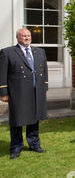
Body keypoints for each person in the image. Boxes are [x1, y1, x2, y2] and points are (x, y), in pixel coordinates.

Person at [0, 28, 48, 159]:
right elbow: (2, 74)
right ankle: (16, 147)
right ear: (18, 37)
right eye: (24, 36)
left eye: (29, 35)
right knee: (17, 120)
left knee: (34, 118)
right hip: (18, 92)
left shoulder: (40, 52)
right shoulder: (8, 52)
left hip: (36, 90)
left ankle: (34, 144)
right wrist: (3, 92)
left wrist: (44, 88)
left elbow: (44, 70)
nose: (27, 38)